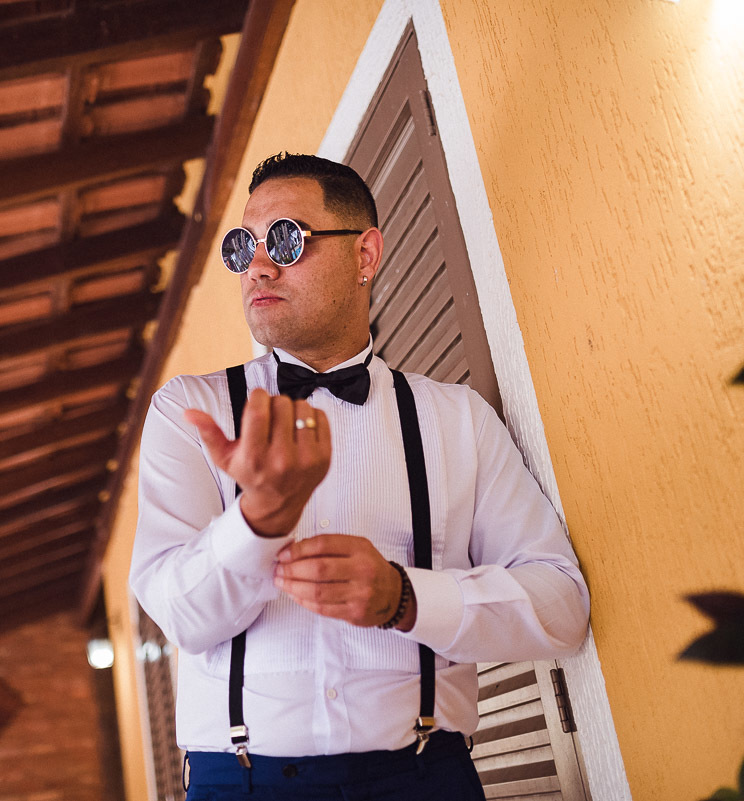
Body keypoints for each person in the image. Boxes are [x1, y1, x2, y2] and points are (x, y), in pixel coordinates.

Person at [130, 152, 589, 800]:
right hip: (241, 782)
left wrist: (405, 598)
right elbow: (181, 616)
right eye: (242, 247)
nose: (258, 266)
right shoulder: (190, 413)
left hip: (424, 776)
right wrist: (258, 520)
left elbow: (562, 606)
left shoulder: (456, 418)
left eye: (285, 240)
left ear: (365, 255)